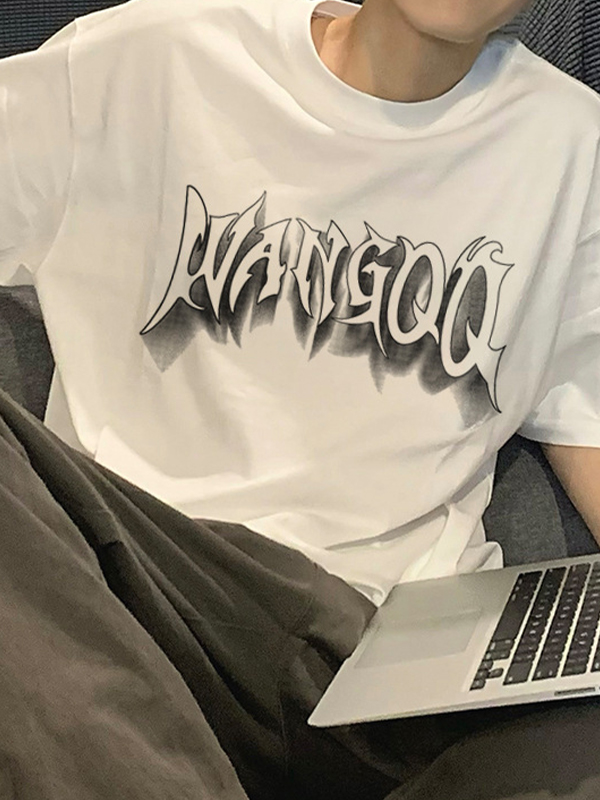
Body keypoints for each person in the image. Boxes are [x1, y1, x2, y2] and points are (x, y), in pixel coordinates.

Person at [0, 0, 599, 798]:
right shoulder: (151, 56)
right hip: (140, 598)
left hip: (386, 654)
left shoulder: (571, 148)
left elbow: (589, 420)